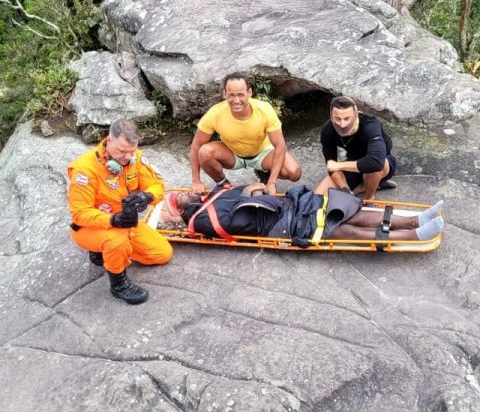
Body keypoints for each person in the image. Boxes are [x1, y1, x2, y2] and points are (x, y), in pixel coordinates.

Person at [68, 119, 172, 304]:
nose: (127, 157)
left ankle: (106, 252)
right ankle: (118, 283)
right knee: (115, 241)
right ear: (108, 141)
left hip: (126, 223)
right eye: (122, 151)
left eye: (131, 151)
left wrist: (147, 196)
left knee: (162, 254)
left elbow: (157, 185)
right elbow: (80, 214)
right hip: (90, 228)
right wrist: (113, 220)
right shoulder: (84, 170)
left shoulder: (135, 158)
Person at [161, 183, 444, 245]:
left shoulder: (212, 195)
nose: (183, 193)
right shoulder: (200, 220)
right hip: (279, 226)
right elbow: (235, 225)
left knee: (350, 210)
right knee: (344, 230)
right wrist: (254, 198)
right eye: (178, 198)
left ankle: (414, 219)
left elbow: (247, 188)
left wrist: (257, 194)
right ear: (180, 210)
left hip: (286, 207)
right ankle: (415, 235)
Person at [190, 73, 302, 196]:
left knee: (294, 172)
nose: (236, 100)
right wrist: (196, 181)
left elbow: (280, 146)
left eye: (240, 95)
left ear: (249, 93)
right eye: (231, 95)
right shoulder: (215, 114)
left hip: (262, 153)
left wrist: (272, 183)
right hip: (232, 154)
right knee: (204, 152)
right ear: (224, 94)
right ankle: (223, 183)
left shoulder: (264, 109)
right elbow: (196, 145)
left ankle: (264, 172)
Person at [317, 95, 397, 201]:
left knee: (373, 168)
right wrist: (345, 190)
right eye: (337, 119)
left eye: (347, 118)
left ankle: (369, 197)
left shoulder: (370, 124)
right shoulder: (327, 130)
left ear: (356, 114)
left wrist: (339, 166)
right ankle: (367, 186)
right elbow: (332, 166)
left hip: (381, 164)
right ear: (331, 116)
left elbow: (376, 162)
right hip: (354, 164)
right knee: (318, 196)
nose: (342, 124)